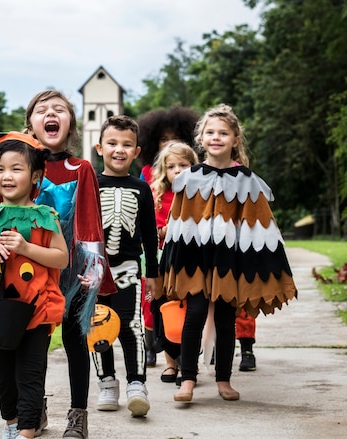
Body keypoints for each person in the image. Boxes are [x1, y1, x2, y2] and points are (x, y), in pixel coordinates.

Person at [0, 90, 116, 439]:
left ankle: (77, 414)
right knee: (18, 348)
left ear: (70, 123)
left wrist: (93, 269)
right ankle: (32, 415)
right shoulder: (13, 163)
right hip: (19, 277)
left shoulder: (79, 168)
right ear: (31, 123)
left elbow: (88, 220)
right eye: (42, 110)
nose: (51, 114)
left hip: (69, 273)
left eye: (60, 110)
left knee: (73, 343)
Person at [157, 103, 297, 403]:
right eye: (210, 132)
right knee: (194, 315)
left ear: (235, 139)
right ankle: (188, 378)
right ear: (201, 138)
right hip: (195, 260)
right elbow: (178, 224)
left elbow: (261, 227)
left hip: (228, 262)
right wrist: (171, 263)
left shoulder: (247, 181)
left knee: (224, 317)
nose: (216, 137)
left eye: (223, 133)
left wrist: (263, 264)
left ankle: (223, 379)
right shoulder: (189, 179)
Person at [0, 132, 69, 439]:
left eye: (16, 168)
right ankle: (11, 423)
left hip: (36, 310)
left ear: (36, 175)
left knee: (30, 374)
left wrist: (25, 248)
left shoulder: (45, 217)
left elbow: (61, 258)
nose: (7, 176)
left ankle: (27, 431)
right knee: (4, 374)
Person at [90, 115, 158, 418]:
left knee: (132, 328)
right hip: (95, 271)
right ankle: (107, 383)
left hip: (128, 269)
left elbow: (150, 235)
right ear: (99, 147)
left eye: (126, 145)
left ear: (136, 151)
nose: (119, 150)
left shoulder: (141, 189)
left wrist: (152, 273)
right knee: (98, 326)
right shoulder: (91, 184)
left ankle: (136, 383)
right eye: (112, 143)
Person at [136, 105, 201, 370]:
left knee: (180, 299)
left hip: (185, 254)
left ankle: (180, 348)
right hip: (157, 252)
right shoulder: (149, 174)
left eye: (176, 138)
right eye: (164, 138)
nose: (170, 143)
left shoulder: (193, 178)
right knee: (150, 299)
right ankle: (151, 345)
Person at [147, 142, 198, 383]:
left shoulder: (199, 194)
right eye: (171, 166)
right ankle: (170, 364)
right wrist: (168, 229)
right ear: (164, 170)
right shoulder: (158, 195)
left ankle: (188, 364)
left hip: (191, 264)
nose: (177, 170)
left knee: (190, 314)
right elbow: (153, 230)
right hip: (164, 264)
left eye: (184, 165)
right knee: (165, 311)